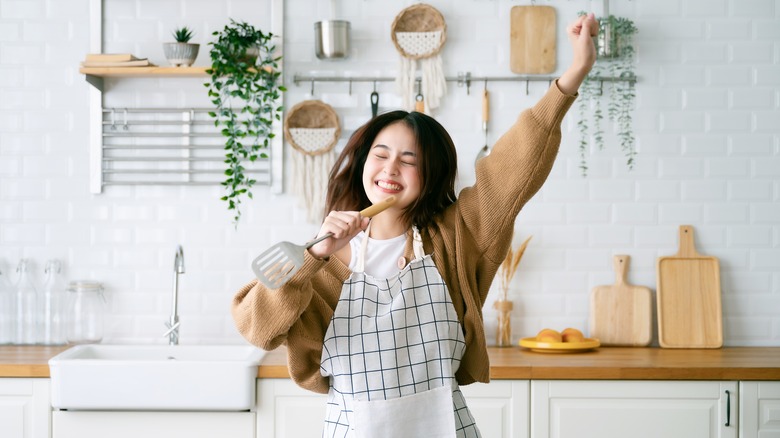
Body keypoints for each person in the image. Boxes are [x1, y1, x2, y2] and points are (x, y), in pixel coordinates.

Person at [233, 13, 598, 438]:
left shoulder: (459, 236)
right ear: (362, 162)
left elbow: (512, 166)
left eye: (409, 160)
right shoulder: (319, 262)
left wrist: (576, 71)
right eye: (381, 154)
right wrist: (313, 254)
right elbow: (256, 328)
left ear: (431, 176)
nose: (391, 168)